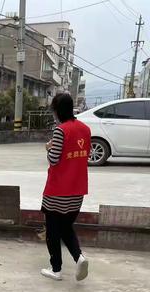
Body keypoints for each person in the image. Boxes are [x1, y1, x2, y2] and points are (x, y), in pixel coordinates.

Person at [41, 93, 91, 282]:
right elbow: (84, 154)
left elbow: (54, 159)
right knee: (66, 227)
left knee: (53, 230)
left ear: (57, 110)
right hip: (78, 189)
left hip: (58, 191)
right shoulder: (85, 129)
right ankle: (79, 257)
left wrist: (49, 148)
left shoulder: (60, 131)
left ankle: (56, 269)